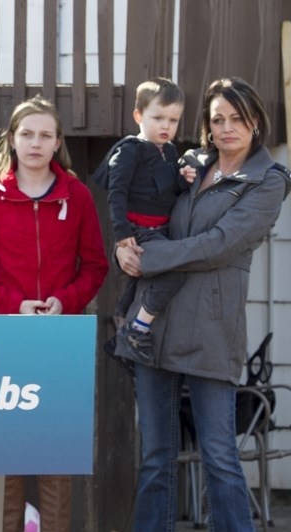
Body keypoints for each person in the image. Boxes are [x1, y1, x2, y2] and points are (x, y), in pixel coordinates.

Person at [115, 77, 291, 531]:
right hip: (156, 322)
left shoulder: (268, 181)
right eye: (218, 119)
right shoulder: (186, 163)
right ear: (207, 125)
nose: (227, 128)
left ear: (256, 122)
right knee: (155, 458)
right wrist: (123, 244)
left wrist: (148, 257)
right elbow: (143, 204)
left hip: (211, 328)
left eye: (237, 118)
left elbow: (219, 244)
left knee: (219, 456)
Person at [0, 95, 109, 532]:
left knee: (53, 463)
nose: (35, 142)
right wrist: (13, 305)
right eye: (27, 134)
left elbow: (97, 266)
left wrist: (65, 302)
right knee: (7, 462)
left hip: (59, 342)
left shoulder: (78, 196)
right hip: (6, 340)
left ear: (57, 142)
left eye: (45, 134)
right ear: (11, 140)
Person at [91, 77, 190, 365]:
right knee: (175, 270)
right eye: (158, 118)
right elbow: (117, 193)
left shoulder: (170, 151)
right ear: (139, 116)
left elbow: (167, 190)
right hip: (139, 231)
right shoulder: (130, 150)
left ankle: (122, 328)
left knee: (140, 283)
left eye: (173, 120)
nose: (166, 126)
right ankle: (137, 329)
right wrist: (122, 235)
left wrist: (184, 181)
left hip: (161, 229)